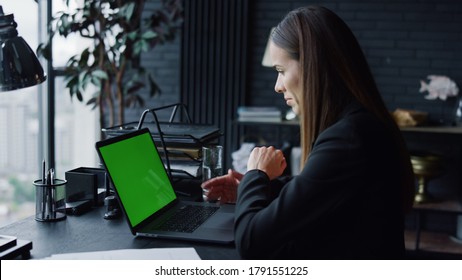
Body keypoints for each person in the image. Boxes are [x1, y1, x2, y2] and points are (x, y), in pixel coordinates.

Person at [201, 5, 415, 259]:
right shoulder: (358, 127)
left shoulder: (348, 139)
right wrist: (253, 189)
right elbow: (318, 190)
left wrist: (256, 174)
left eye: (281, 71)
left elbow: (251, 242)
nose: (277, 86)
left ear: (313, 65)